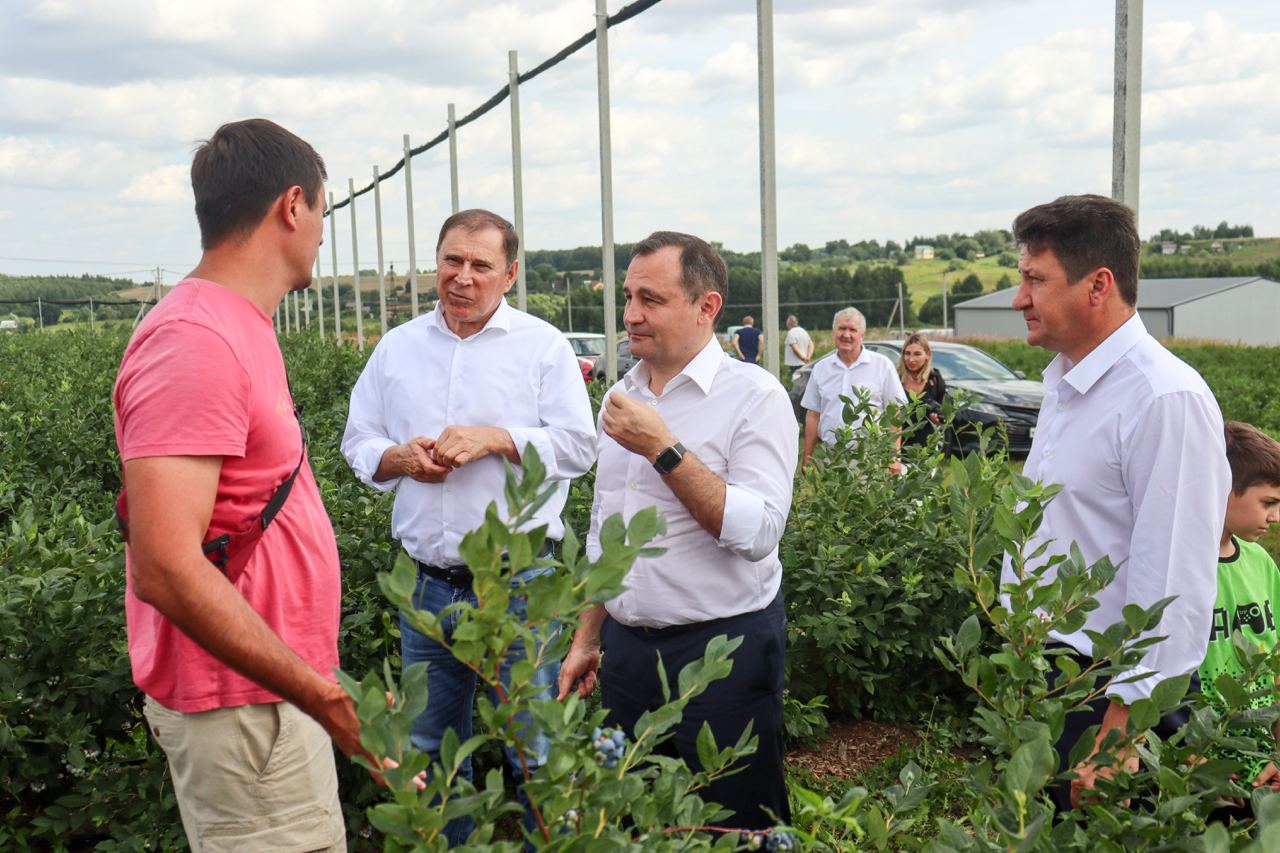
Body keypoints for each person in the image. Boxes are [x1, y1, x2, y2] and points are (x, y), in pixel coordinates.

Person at [114, 119, 369, 851]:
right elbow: (165, 563)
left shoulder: (239, 324)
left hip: (272, 696)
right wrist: (319, 692)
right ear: (293, 206)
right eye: (324, 211)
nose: (323, 231)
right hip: (246, 713)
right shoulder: (196, 341)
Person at [341, 208, 595, 845]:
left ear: (509, 274)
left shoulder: (542, 347)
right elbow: (358, 440)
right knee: (429, 751)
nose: (463, 276)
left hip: (521, 585)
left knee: (535, 750)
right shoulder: (398, 348)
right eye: (452, 260)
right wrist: (397, 459)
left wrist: (498, 439)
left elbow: (578, 447)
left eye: (481, 264)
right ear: (436, 265)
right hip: (427, 591)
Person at [556, 231, 798, 829]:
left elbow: (758, 531)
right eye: (629, 296)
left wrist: (662, 447)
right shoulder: (621, 395)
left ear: (706, 307)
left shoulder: (756, 397)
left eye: (652, 300)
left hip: (724, 653)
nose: (631, 315)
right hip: (627, 656)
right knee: (637, 821)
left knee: (734, 825)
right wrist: (589, 636)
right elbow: (603, 530)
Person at [1000, 193, 1231, 811]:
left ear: (1097, 284)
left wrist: (1119, 734)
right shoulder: (1065, 383)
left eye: (1034, 280)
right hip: (1052, 678)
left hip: (1110, 698)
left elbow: (1174, 579)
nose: (1020, 298)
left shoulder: (1162, 398)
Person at [1198, 421, 1280, 793]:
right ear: (1224, 490)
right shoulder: (1182, 566)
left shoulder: (1260, 562)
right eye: (1268, 503)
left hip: (1261, 753)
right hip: (1199, 757)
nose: (1275, 517)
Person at [800, 306, 906, 467]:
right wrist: (808, 455)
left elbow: (895, 413)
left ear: (862, 334)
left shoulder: (882, 366)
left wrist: (894, 457)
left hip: (870, 458)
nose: (846, 335)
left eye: (852, 330)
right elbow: (813, 414)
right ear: (833, 331)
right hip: (830, 457)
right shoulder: (821, 369)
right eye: (841, 328)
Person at [897, 332, 947, 448]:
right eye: (907, 353)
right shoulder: (895, 378)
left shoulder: (934, 379)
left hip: (925, 447)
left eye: (917, 354)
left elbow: (944, 410)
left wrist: (937, 419)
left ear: (928, 355)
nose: (911, 359)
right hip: (898, 446)